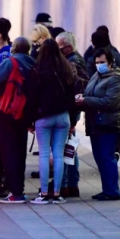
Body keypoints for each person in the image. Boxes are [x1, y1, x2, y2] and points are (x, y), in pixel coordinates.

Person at [0, 37, 36, 203]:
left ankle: (15, 193)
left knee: (9, 153)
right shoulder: (33, 63)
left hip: (7, 113)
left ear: (14, 49)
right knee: (20, 152)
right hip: (25, 113)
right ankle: (20, 189)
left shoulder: (11, 62)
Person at [26, 39, 76, 204]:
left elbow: (31, 98)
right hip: (63, 117)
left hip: (43, 117)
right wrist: (73, 121)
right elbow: (72, 97)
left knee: (44, 154)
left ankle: (44, 193)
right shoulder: (66, 69)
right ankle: (57, 193)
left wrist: (30, 120)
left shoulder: (37, 70)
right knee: (59, 155)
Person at [76, 47, 120, 200]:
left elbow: (110, 102)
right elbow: (90, 93)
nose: (99, 65)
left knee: (107, 157)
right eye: (97, 62)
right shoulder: (96, 76)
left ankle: (112, 190)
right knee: (100, 157)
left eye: (102, 62)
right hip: (96, 123)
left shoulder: (115, 79)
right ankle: (107, 189)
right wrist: (83, 97)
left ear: (111, 62)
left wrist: (86, 100)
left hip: (109, 123)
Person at [56, 31, 89, 198]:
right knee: (70, 147)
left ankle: (67, 184)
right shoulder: (76, 60)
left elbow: (72, 90)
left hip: (70, 111)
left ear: (68, 48)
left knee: (66, 148)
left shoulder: (71, 64)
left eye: (59, 47)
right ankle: (71, 184)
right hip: (73, 110)